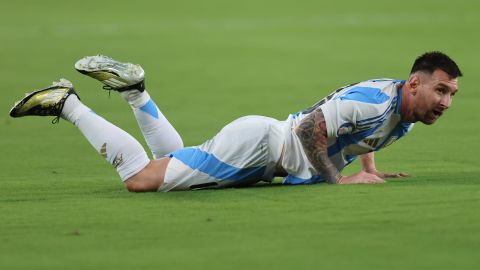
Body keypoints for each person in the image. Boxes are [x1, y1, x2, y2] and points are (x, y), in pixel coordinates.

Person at [9, 52, 462, 192]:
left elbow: (366, 139)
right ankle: (67, 104)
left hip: (263, 153)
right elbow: (310, 130)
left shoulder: (403, 113)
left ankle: (135, 92)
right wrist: (337, 180)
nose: (446, 101)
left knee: (169, 159)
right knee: (140, 180)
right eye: (441, 90)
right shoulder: (374, 102)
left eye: (452, 95)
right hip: (262, 147)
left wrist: (369, 168)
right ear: (414, 84)